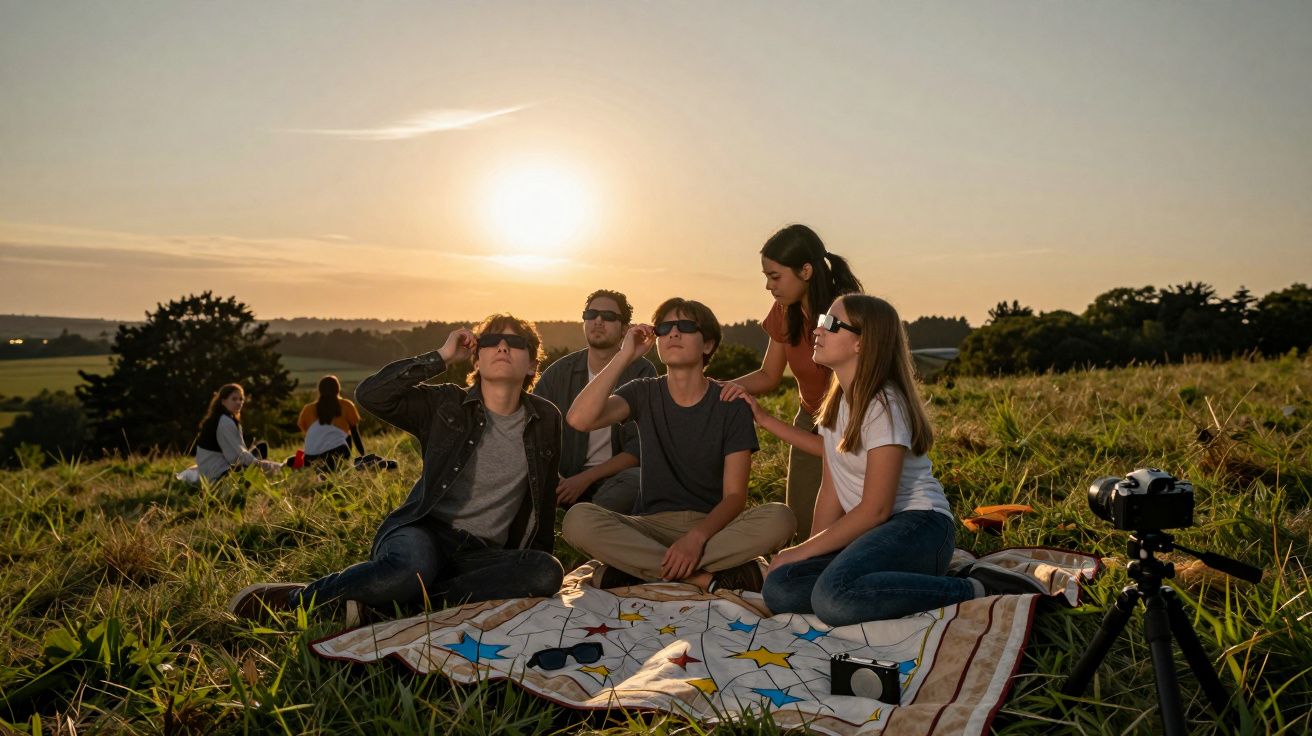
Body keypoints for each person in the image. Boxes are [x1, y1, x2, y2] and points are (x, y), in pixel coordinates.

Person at [228, 314, 565, 622]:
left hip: (481, 554)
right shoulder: (446, 404)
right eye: (491, 340)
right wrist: (442, 356)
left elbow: (543, 502)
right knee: (410, 570)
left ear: (533, 364)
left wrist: (524, 568)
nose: (503, 346)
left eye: (517, 342)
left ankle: (390, 604)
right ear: (476, 357)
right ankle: (297, 599)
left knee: (545, 572)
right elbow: (372, 395)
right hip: (424, 533)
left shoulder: (546, 418)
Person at [751, 295, 1046, 625]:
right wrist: (809, 554)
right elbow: (831, 489)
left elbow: (876, 509)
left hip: (919, 527)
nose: (818, 330)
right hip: (875, 535)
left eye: (831, 323)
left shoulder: (883, 403)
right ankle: (898, 584)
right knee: (781, 588)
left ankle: (977, 588)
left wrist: (798, 552)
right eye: (822, 319)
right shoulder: (837, 404)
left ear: (862, 343)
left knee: (832, 599)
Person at [562, 298, 795, 593]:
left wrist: (696, 539)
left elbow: (735, 496)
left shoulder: (730, 403)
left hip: (713, 530)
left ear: (708, 344)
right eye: (665, 327)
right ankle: (702, 577)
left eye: (685, 326)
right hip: (649, 527)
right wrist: (624, 356)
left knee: (780, 517)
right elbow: (579, 419)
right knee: (578, 520)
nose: (673, 333)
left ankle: (640, 571)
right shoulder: (643, 392)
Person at [719, 224, 863, 539]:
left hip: (854, 423)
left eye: (775, 276)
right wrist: (716, 387)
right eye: (766, 277)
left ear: (806, 271)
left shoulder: (843, 312)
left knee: (851, 525)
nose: (769, 286)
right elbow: (769, 375)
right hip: (809, 419)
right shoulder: (785, 311)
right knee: (802, 526)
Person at [534, 289, 656, 512]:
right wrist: (557, 478)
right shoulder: (559, 373)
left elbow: (638, 449)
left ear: (624, 330)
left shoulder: (642, 371)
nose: (598, 321)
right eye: (591, 315)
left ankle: (584, 516)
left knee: (638, 480)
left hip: (613, 479)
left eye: (609, 317)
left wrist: (584, 479)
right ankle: (581, 515)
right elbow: (533, 430)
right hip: (562, 479)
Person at [193, 383, 282, 482]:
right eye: (234, 399)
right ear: (223, 401)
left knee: (261, 447)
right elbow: (236, 457)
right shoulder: (224, 421)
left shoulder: (224, 417)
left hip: (214, 466)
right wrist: (267, 465)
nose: (239, 402)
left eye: (241, 399)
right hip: (217, 473)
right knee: (257, 462)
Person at [290, 375, 365, 471]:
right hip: (337, 453)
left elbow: (308, 433)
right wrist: (363, 455)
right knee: (347, 436)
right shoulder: (346, 405)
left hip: (311, 457)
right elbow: (355, 433)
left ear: (319, 390)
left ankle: (313, 467)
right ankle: (338, 467)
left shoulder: (308, 409)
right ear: (338, 389)